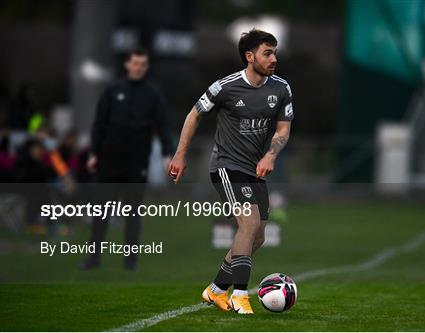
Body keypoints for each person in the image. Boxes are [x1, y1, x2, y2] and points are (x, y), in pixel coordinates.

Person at [168, 29, 294, 314]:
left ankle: (215, 290)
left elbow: (283, 129)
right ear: (250, 57)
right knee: (247, 226)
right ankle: (240, 294)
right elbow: (194, 114)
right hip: (227, 166)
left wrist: (271, 154)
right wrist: (180, 154)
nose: (274, 58)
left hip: (255, 170)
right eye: (267, 53)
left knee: (257, 236)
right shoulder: (224, 87)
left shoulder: (281, 88)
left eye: (275, 52)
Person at [81, 48, 173, 270]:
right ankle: (93, 257)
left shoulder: (153, 94)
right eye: (135, 63)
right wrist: (94, 153)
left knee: (132, 213)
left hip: (136, 161)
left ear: (146, 66)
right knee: (101, 211)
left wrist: (167, 155)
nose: (138, 67)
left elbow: (162, 126)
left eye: (142, 64)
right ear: (127, 64)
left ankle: (130, 260)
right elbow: (99, 123)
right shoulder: (113, 90)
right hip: (109, 160)